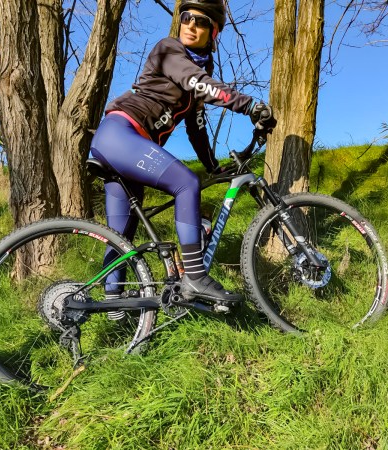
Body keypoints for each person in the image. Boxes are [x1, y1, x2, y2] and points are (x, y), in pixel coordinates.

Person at [90, 0, 276, 310]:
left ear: (213, 33)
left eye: (201, 22)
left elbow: (197, 129)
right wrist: (249, 105)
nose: (190, 24)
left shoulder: (195, 81)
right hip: (121, 134)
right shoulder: (169, 50)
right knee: (186, 183)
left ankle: (114, 308)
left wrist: (213, 166)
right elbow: (197, 82)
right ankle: (196, 276)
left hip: (122, 145)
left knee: (121, 235)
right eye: (187, 17)